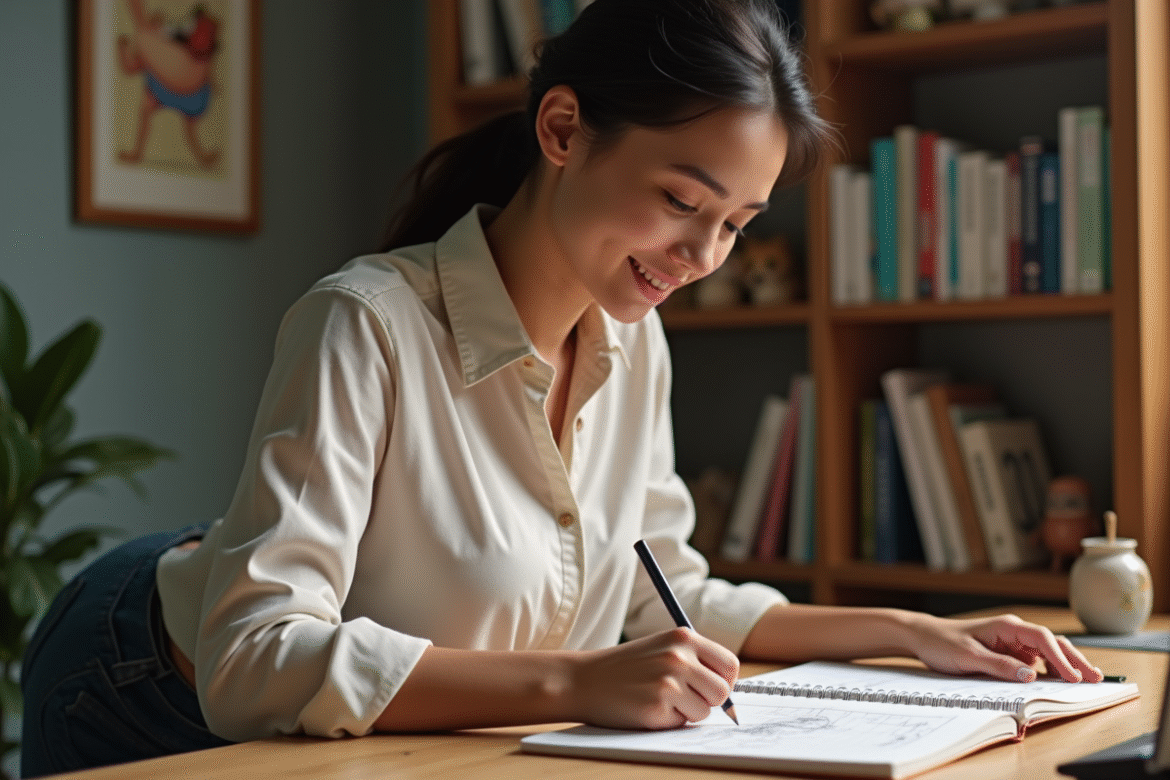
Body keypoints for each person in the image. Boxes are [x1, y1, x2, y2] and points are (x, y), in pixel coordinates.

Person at [20, 0, 1103, 776]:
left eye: (735, 225)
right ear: (563, 131)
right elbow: (253, 662)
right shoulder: (364, 322)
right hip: (139, 672)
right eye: (684, 201)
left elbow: (663, 594)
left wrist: (910, 632)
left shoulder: (635, 341)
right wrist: (579, 685)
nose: (703, 255)